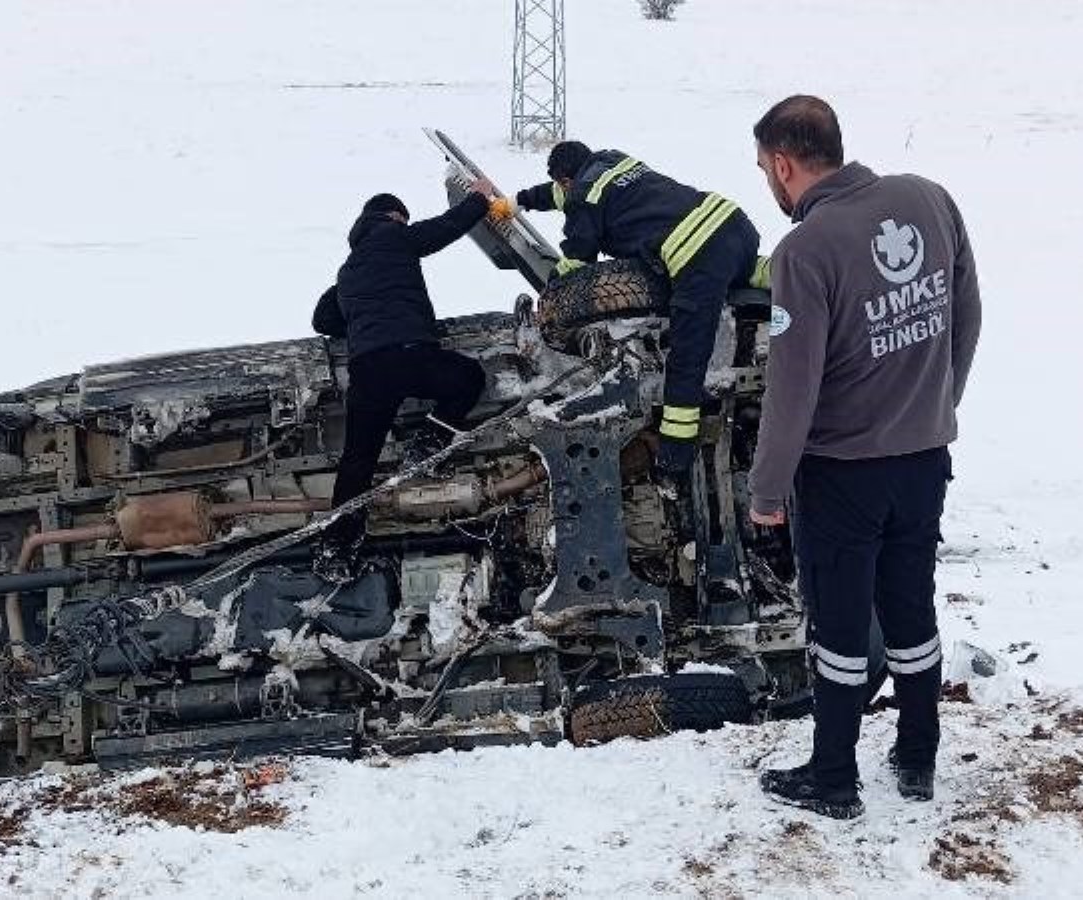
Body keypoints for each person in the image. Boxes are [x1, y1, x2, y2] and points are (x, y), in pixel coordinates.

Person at [747, 95, 982, 818]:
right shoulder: (929, 199)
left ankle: (833, 779)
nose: (768, 181)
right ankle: (918, 759)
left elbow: (792, 388)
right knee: (911, 608)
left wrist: (766, 491)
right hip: (922, 460)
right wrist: (937, 404)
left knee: (842, 631)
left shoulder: (804, 251)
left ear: (784, 165)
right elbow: (966, 313)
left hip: (842, 475)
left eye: (764, 169)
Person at [516, 142, 763, 482]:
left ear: (566, 180)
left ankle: (676, 454)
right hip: (732, 223)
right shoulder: (610, 162)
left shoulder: (581, 197)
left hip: (696, 257)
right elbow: (561, 197)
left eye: (562, 186)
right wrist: (520, 201)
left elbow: (578, 259)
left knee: (687, 357)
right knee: (747, 272)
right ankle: (804, 278)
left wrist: (552, 289)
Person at [310, 184, 495, 582]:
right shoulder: (394, 236)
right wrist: (479, 200)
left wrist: (363, 318)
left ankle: (336, 547)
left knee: (358, 459)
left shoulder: (349, 269)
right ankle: (429, 442)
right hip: (410, 354)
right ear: (393, 217)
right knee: (468, 378)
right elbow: (444, 229)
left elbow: (322, 321)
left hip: (368, 370)